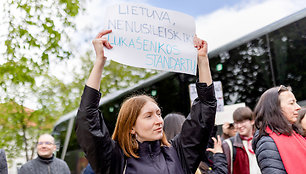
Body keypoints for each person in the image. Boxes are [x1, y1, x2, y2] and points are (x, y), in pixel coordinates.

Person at [75, 29, 217, 174]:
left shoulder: (178, 153)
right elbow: (87, 118)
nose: (159, 121)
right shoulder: (116, 161)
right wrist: (100, 61)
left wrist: (202, 60)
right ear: (131, 127)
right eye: (148, 116)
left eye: (158, 113)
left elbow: (205, 109)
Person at [252, 85, 306, 174]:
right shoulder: (267, 143)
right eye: (291, 103)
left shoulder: (295, 133)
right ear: (275, 108)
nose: (298, 107)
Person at [222, 107, 261, 174]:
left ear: (252, 121)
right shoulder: (229, 144)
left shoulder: (262, 140)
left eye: (242, 122)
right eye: (236, 123)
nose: (239, 126)